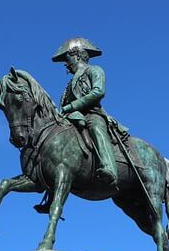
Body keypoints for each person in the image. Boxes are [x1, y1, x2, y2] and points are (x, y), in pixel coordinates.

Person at [51, 37, 121, 188]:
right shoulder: (69, 85)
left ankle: (109, 168)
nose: (65, 63)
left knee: (96, 127)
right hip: (72, 118)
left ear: (77, 55)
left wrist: (72, 106)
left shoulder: (95, 70)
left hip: (92, 113)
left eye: (67, 58)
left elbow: (98, 92)